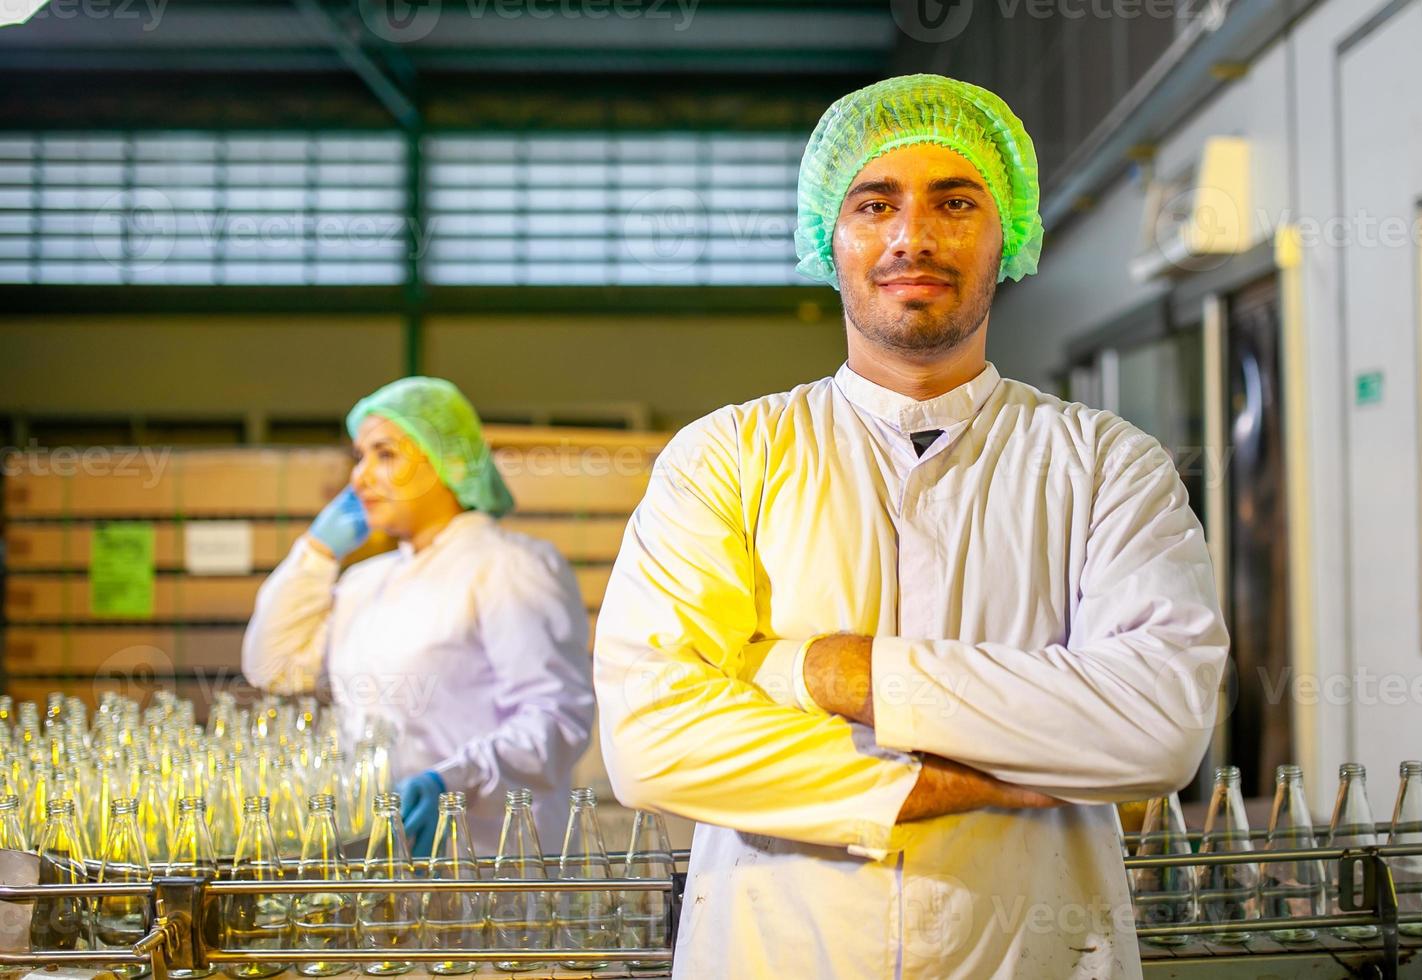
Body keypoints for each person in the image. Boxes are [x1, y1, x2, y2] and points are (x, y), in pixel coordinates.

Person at [593, 74, 1229, 978]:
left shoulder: (1107, 464)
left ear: (1007, 230)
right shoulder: (725, 456)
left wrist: (819, 668)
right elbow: (652, 741)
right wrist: (972, 774)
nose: (912, 237)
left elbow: (1160, 725)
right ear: (831, 234)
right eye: (875, 202)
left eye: (956, 201)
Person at [243, 376, 595, 854]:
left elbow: (556, 721)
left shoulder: (508, 566)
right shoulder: (366, 581)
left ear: (446, 461)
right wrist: (316, 553)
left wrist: (452, 779)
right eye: (359, 456)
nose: (359, 478)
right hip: (383, 856)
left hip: (489, 861)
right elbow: (273, 667)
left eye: (385, 455)